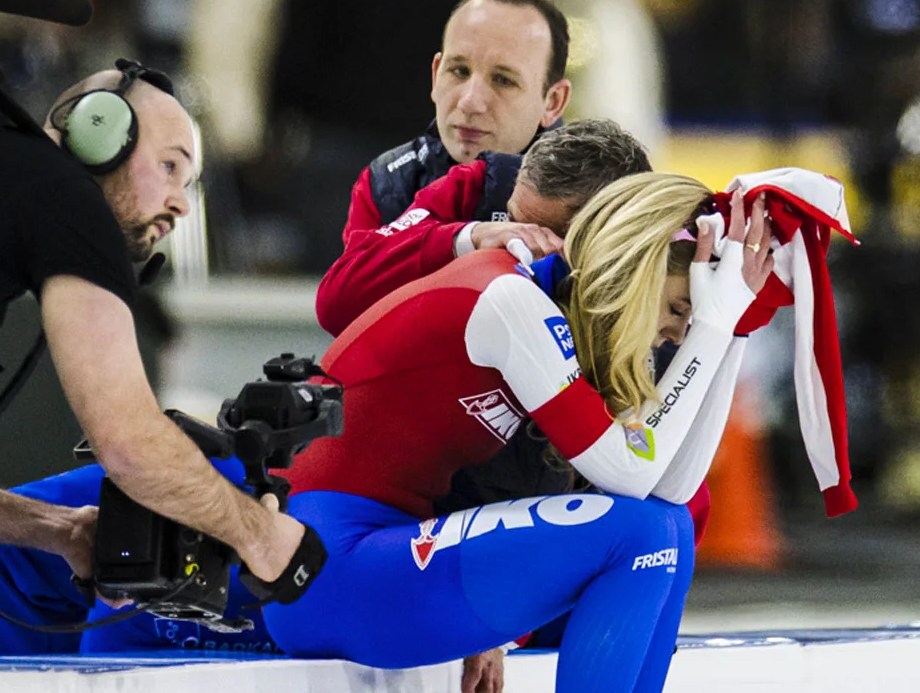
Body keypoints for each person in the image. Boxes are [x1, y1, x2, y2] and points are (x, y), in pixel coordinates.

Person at [266, 174, 775, 693]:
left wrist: (736, 326)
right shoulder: (510, 300)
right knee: (639, 534)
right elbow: (633, 474)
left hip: (370, 555)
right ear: (635, 273)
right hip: (324, 568)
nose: (677, 335)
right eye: (677, 309)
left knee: (670, 528)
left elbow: (671, 489)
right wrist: (713, 328)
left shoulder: (545, 309)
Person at [0, 61, 321, 665]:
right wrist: (264, 539)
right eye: (171, 165)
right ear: (100, 131)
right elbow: (127, 443)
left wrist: (58, 529)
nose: (181, 202)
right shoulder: (65, 198)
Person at [316, 118, 651, 338]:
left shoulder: (668, 277)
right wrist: (468, 238)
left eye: (551, 232)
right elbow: (336, 303)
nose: (524, 245)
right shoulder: (480, 188)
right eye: (515, 220)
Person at [343, 0, 573, 245]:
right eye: (459, 71)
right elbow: (343, 286)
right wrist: (462, 240)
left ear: (553, 102)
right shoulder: (386, 184)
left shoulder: (593, 200)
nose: (470, 101)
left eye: (503, 80)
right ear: (435, 75)